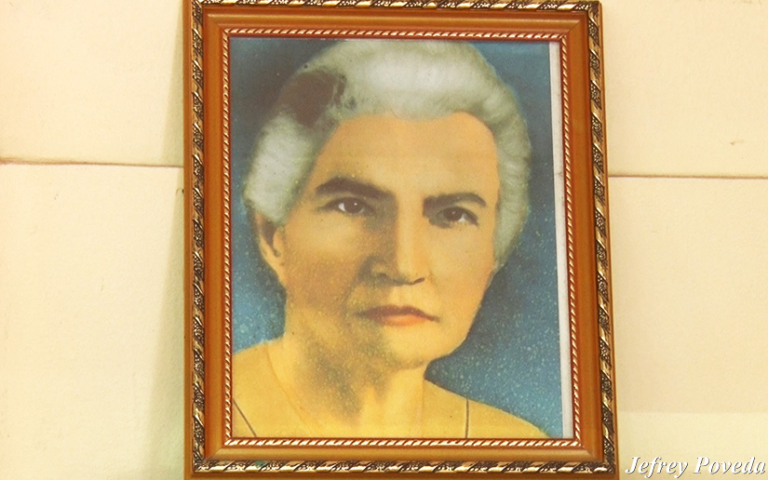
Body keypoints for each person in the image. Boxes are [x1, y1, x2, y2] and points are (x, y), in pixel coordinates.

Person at [234, 40, 545, 438]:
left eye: (452, 215)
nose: (404, 265)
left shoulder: (516, 445)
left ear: (493, 254)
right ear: (273, 237)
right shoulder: (209, 418)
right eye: (353, 206)